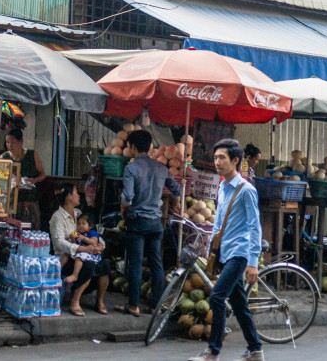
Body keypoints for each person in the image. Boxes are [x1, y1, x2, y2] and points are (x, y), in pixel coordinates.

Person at [189, 138, 263, 361]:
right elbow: (219, 222)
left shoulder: (246, 190)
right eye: (216, 157)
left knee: (217, 297)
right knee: (239, 304)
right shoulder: (222, 186)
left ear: (235, 160)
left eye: (222, 157)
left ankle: (213, 352)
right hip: (225, 251)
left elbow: (254, 226)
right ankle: (256, 350)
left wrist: (252, 261)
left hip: (240, 253)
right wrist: (212, 249)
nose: (217, 161)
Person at [118, 129, 181, 317]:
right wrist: (174, 206)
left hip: (137, 221)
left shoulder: (131, 168)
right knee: (156, 263)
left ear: (133, 147)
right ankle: (156, 305)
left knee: (136, 263)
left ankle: (133, 305)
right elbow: (176, 189)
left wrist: (123, 208)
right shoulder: (161, 168)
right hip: (156, 222)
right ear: (150, 147)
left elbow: (128, 197)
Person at [50, 182, 110, 316]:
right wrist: (82, 248)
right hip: (65, 259)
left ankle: (99, 301)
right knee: (87, 265)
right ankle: (75, 301)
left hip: (85, 253)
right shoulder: (57, 218)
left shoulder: (79, 214)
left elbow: (90, 233)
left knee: (105, 265)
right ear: (68, 197)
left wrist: (99, 245)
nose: (79, 196)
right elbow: (59, 243)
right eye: (76, 193)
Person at [0, 128, 46, 228]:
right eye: (7, 142)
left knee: (31, 231)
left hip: (30, 201)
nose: (10, 145)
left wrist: (34, 180)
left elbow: (43, 174)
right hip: (11, 204)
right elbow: (0, 180)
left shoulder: (32, 155)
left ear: (21, 142)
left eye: (13, 142)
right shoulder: (4, 157)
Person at [64, 214, 102, 284]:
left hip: (92, 254)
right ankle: (58, 270)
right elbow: (76, 245)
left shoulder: (92, 232)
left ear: (90, 226)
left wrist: (84, 238)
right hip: (83, 252)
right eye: (79, 224)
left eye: (83, 223)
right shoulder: (81, 235)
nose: (80, 225)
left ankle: (75, 275)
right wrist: (73, 238)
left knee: (79, 257)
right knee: (67, 254)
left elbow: (94, 242)